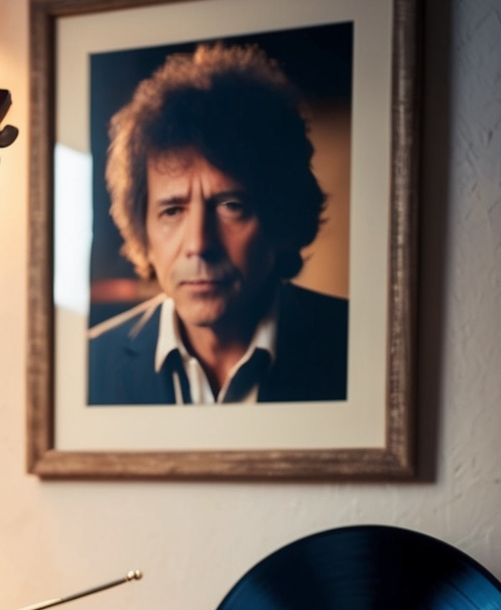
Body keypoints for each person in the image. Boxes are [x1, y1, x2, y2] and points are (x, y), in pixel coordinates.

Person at [88, 41, 347, 405]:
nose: (198, 243)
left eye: (231, 205)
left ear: (281, 215)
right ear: (142, 227)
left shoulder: (356, 349)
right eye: (172, 211)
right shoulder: (88, 369)